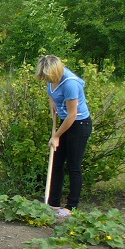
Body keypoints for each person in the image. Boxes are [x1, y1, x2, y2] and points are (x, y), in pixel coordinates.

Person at [36, 55, 92, 217]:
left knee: (73, 165)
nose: (46, 79)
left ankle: (71, 206)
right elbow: (51, 92)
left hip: (79, 125)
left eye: (47, 76)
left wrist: (56, 136)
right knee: (56, 162)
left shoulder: (71, 85)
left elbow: (72, 115)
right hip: (64, 121)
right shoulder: (51, 77)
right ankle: (53, 203)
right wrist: (52, 102)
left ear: (56, 72)